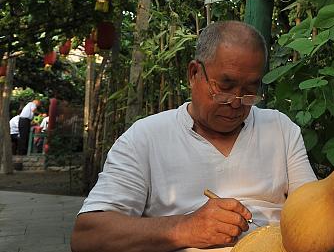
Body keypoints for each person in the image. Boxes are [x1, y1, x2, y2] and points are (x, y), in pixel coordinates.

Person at [71, 21, 317, 252]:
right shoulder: (146, 138)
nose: (235, 102)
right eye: (225, 87)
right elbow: (87, 236)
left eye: (250, 91)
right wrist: (184, 229)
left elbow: (313, 214)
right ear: (193, 73)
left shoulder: (280, 129)